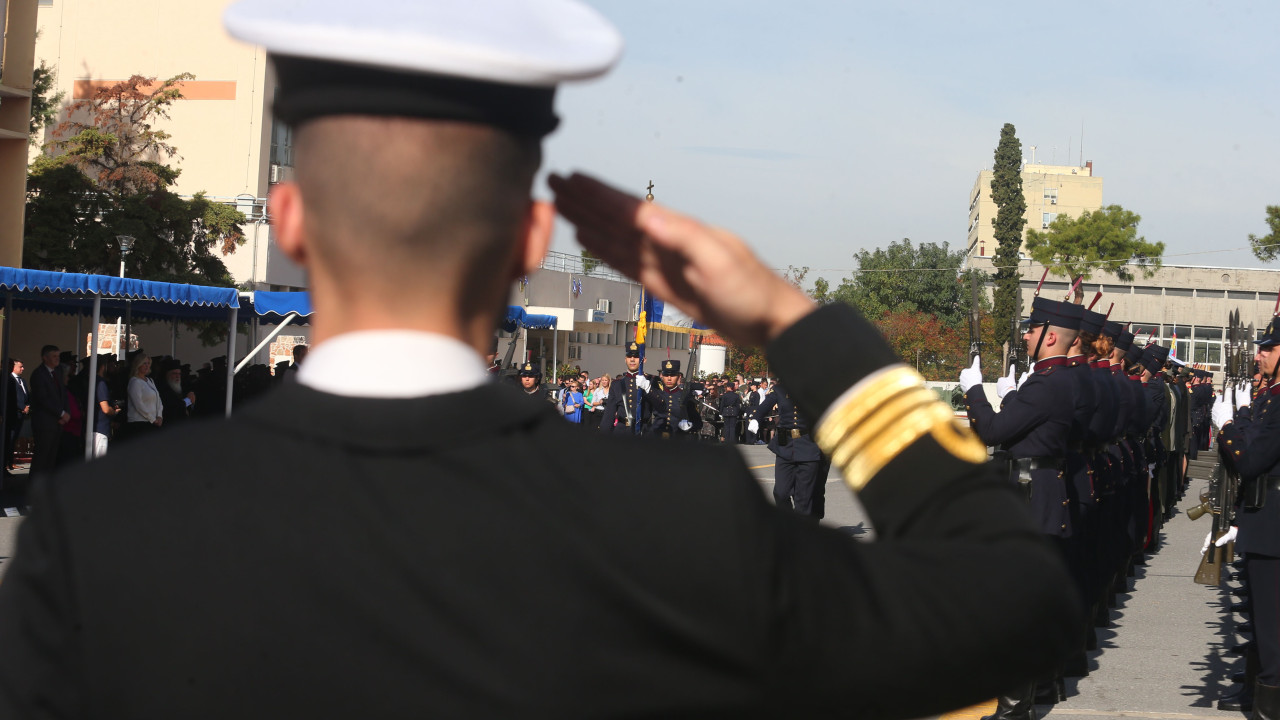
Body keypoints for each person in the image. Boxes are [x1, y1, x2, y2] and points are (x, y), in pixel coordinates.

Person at [0, 2, 1078, 717]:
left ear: (290, 217)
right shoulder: (676, 519)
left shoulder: (99, 530)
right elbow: (1014, 598)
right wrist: (794, 323)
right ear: (528, 243)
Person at [961, 297, 1082, 718]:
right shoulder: (1055, 379)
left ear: (1050, 337)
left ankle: (1013, 708)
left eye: (1031, 330)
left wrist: (973, 390)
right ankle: (1024, 701)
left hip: (1031, 500)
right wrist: (1011, 395)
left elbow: (993, 432)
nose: (1025, 335)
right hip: (1039, 493)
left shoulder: (1047, 384)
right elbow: (1021, 429)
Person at [1213, 318, 1280, 719]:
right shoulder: (1271, 396)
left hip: (1274, 523)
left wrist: (1227, 425)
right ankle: (1257, 694)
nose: (1259, 355)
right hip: (1261, 515)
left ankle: (1269, 706)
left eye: (1268, 349)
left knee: (1271, 625)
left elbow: (1251, 460)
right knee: (1258, 616)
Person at [757, 381, 830, 518]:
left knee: (803, 498)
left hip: (808, 445)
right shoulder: (779, 389)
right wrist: (755, 418)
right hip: (785, 444)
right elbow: (764, 406)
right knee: (780, 492)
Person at [27, 344, 68, 479]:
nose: (57, 359)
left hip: (56, 423)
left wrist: (64, 412)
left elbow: (62, 395)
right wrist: (61, 413)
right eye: (54, 356)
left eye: (58, 356)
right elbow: (43, 399)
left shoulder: (57, 373)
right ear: (45, 358)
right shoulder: (38, 375)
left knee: (51, 458)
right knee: (41, 457)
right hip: (44, 423)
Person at [598, 341, 654, 433]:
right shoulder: (617, 384)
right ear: (625, 359)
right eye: (629, 357)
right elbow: (609, 414)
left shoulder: (651, 381)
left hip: (643, 431)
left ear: (644, 359)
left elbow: (660, 409)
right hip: (622, 431)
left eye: (636, 357)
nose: (632, 360)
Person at [645, 359, 700, 439]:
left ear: (679, 376)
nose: (669, 378)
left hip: (677, 439)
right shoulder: (656, 394)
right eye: (666, 375)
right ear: (662, 376)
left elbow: (698, 422)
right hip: (656, 438)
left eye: (673, 375)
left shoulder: (685, 396)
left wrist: (690, 425)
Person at [124, 353, 163, 440]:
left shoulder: (150, 381)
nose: (147, 366)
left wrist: (159, 416)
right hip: (139, 423)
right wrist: (153, 419)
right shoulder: (135, 382)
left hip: (152, 423)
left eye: (148, 363)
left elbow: (158, 400)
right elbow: (138, 404)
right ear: (138, 364)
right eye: (144, 363)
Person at [157, 359, 196, 426]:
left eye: (179, 374)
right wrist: (188, 400)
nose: (177, 376)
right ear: (167, 374)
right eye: (174, 373)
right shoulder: (162, 388)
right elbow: (172, 408)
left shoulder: (178, 387)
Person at [5, 358, 28, 472]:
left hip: (21, 415)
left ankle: (11, 462)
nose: (23, 368)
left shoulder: (22, 381)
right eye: (20, 366)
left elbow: (25, 395)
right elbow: (12, 398)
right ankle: (6, 463)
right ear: (14, 367)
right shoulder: (9, 379)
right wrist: (21, 407)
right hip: (14, 413)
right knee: (9, 439)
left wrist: (27, 406)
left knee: (14, 439)